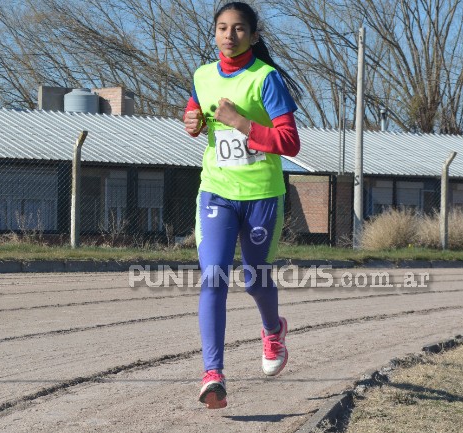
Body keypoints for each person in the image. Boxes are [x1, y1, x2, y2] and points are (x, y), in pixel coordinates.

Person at [182, 1, 302, 409]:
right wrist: (192, 123)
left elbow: (290, 142)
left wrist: (242, 124)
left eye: (237, 29)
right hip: (216, 190)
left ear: (253, 34)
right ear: (213, 33)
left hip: (262, 195)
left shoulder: (266, 79)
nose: (228, 36)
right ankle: (212, 373)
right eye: (221, 28)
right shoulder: (201, 76)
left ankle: (273, 330)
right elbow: (194, 115)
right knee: (213, 276)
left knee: (255, 279)